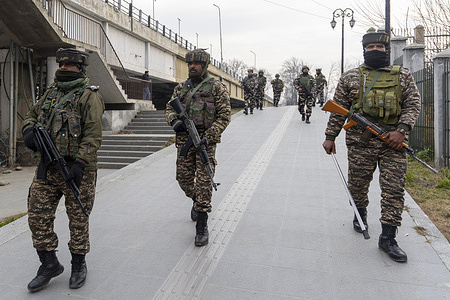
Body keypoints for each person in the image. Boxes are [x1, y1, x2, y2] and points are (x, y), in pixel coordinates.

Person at [322, 31, 421, 263]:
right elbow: (338, 108)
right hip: (360, 143)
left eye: (380, 46)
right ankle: (360, 213)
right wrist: (330, 136)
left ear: (387, 49)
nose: (375, 50)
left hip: (393, 143)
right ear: (364, 49)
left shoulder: (403, 75)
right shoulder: (350, 78)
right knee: (357, 185)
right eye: (371, 47)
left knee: (394, 190)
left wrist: (401, 130)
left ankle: (388, 237)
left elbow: (413, 104)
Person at [21, 48, 105, 291]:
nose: (65, 68)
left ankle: (78, 264)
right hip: (47, 167)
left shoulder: (89, 97)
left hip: (77, 169)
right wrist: (28, 132)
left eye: (70, 65)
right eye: (62, 64)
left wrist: (80, 163)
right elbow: (31, 116)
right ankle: (49, 263)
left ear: (80, 68)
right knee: (37, 216)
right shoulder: (50, 93)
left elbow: (93, 135)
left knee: (78, 219)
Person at [165, 49, 231, 247]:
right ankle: (197, 200)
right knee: (183, 179)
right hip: (185, 140)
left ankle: (201, 224)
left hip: (205, 143)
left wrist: (208, 136)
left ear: (204, 65)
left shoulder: (216, 87)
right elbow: (169, 108)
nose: (192, 66)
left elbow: (224, 116)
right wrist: (174, 122)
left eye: (197, 63)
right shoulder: (181, 88)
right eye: (190, 63)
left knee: (204, 182)